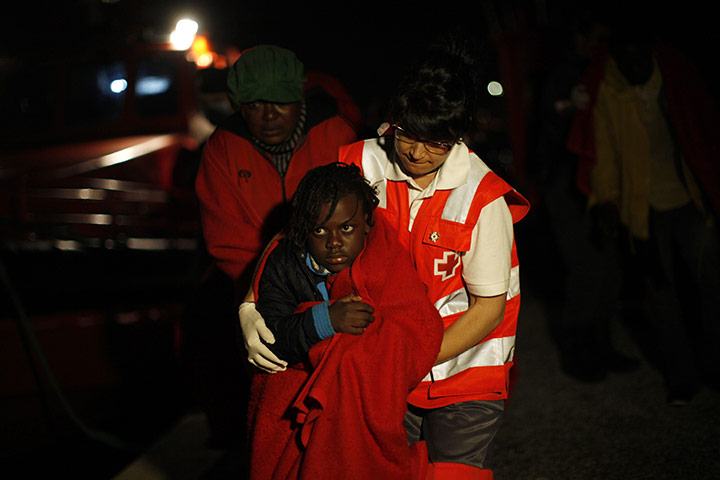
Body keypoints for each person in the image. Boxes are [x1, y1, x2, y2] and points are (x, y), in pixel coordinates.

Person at [241, 37, 530, 479]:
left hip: (464, 371)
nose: (416, 152)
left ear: (459, 130)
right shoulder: (357, 162)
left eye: (434, 142)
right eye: (407, 135)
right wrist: (250, 302)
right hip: (378, 369)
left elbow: (489, 308)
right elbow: (296, 235)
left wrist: (399, 359)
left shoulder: (483, 198)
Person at [191, 44, 358, 445]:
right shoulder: (222, 148)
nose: (267, 116)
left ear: (298, 97)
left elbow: (362, 218)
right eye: (254, 104)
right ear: (237, 105)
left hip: (340, 281)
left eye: (279, 103)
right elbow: (228, 241)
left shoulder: (335, 133)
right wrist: (272, 290)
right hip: (259, 290)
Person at [244, 162, 444, 479]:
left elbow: (416, 325)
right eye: (319, 230)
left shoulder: (384, 254)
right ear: (302, 229)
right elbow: (272, 339)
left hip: (366, 406)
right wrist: (325, 319)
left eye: (346, 228)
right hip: (293, 400)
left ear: (366, 222)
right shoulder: (284, 262)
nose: (334, 241)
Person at [567, 24, 720, 405]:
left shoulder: (675, 77)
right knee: (659, 293)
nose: (634, 65)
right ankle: (682, 377)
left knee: (713, 285)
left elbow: (702, 131)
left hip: (689, 198)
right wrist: (606, 203)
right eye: (625, 58)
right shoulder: (608, 90)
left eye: (640, 56)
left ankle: (716, 367)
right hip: (642, 209)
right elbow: (603, 156)